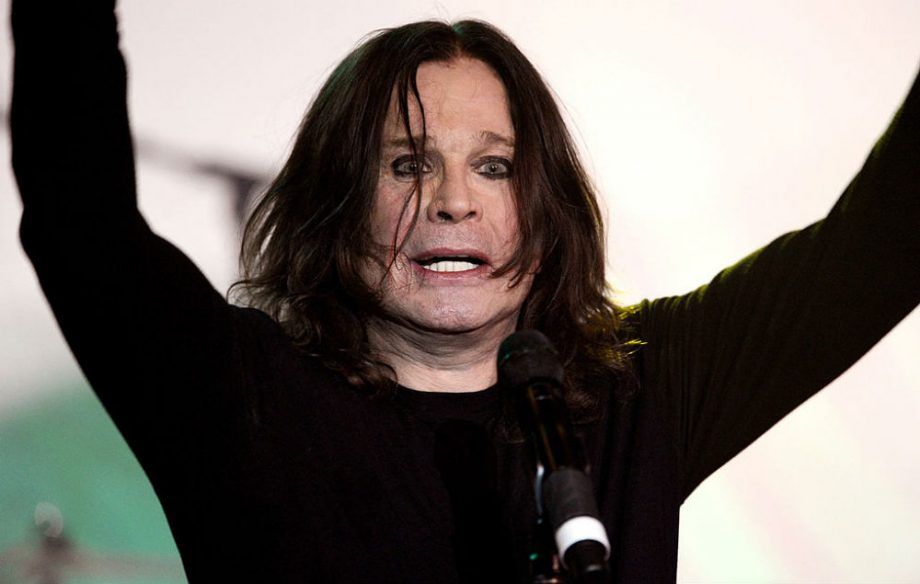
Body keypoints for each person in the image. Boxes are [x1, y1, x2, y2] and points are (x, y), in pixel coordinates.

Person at [10, 1, 918, 583]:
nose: (453, 201)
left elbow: (885, 243)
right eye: (408, 165)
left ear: (544, 210)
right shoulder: (241, 396)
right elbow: (78, 217)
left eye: (494, 166)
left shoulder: (638, 389)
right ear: (337, 205)